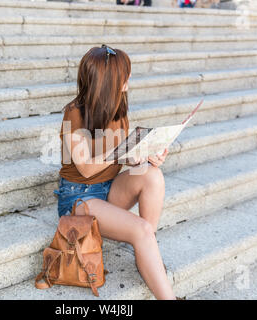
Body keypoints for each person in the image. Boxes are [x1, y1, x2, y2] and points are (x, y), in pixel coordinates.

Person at [53, 44, 176, 300]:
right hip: (79, 198)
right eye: (125, 74)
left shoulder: (119, 110)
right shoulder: (74, 113)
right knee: (141, 229)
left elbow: (120, 157)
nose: (129, 79)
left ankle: (147, 251)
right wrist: (125, 153)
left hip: (108, 189)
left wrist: (146, 156)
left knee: (152, 174)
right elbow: (86, 168)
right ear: (108, 80)